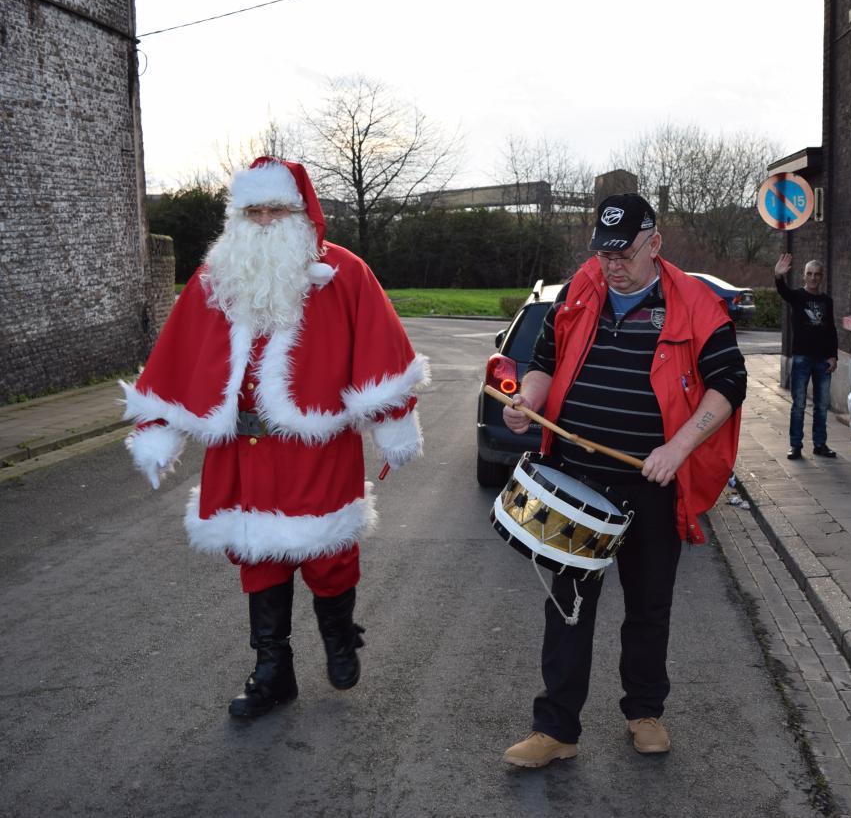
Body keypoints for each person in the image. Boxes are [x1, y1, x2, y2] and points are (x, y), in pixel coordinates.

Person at [120, 157, 427, 719]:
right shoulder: (215, 277)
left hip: (318, 446)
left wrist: (392, 422)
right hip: (242, 448)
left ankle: (339, 638)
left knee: (328, 551)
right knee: (256, 554)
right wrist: (159, 429)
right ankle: (272, 669)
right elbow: (175, 356)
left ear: (303, 214)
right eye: (252, 211)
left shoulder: (345, 273)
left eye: (275, 210)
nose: (263, 221)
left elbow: (382, 348)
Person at [499, 193, 746, 768]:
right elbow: (542, 361)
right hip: (574, 480)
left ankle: (645, 712)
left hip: (651, 486)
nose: (613, 265)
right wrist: (526, 402)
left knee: (648, 606)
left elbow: (729, 385)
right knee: (568, 607)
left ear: (654, 245)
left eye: (625, 253)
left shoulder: (694, 303)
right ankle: (555, 729)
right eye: (604, 252)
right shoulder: (580, 289)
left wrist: (678, 448)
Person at [774, 253, 839, 460]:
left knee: (821, 405)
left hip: (822, 360)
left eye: (816, 274)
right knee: (799, 404)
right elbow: (783, 291)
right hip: (801, 357)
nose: (812, 278)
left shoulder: (826, 301)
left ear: (821, 278)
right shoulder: (798, 297)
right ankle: (795, 445)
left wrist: (833, 356)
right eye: (809, 274)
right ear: (804, 276)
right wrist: (778, 276)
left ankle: (820, 444)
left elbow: (831, 330)